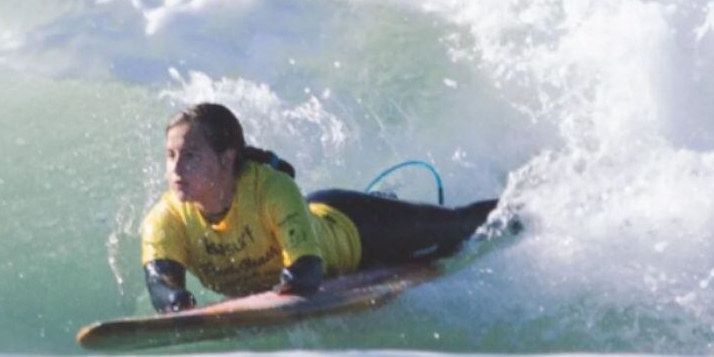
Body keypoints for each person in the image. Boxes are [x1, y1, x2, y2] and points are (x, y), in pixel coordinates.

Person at [142, 103, 500, 313]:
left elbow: (307, 270)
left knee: (456, 227)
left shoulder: (269, 187)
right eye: (170, 156)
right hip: (313, 222)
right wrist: (175, 301)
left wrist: (295, 281)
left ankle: (518, 209)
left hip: (354, 229)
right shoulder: (166, 218)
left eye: (190, 157)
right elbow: (161, 283)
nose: (176, 170)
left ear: (226, 159)